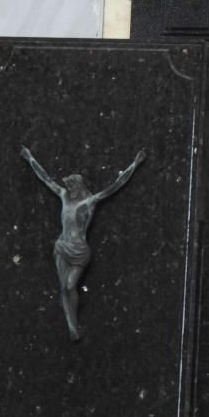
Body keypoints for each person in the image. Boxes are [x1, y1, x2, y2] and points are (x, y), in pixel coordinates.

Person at [20, 146, 147, 340]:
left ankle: (72, 318)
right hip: (62, 247)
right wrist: (30, 158)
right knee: (63, 287)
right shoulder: (63, 196)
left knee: (71, 286)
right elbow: (46, 178)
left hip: (79, 250)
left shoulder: (89, 202)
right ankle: (72, 327)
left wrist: (135, 164)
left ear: (79, 187)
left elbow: (116, 185)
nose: (69, 189)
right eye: (68, 186)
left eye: (72, 186)